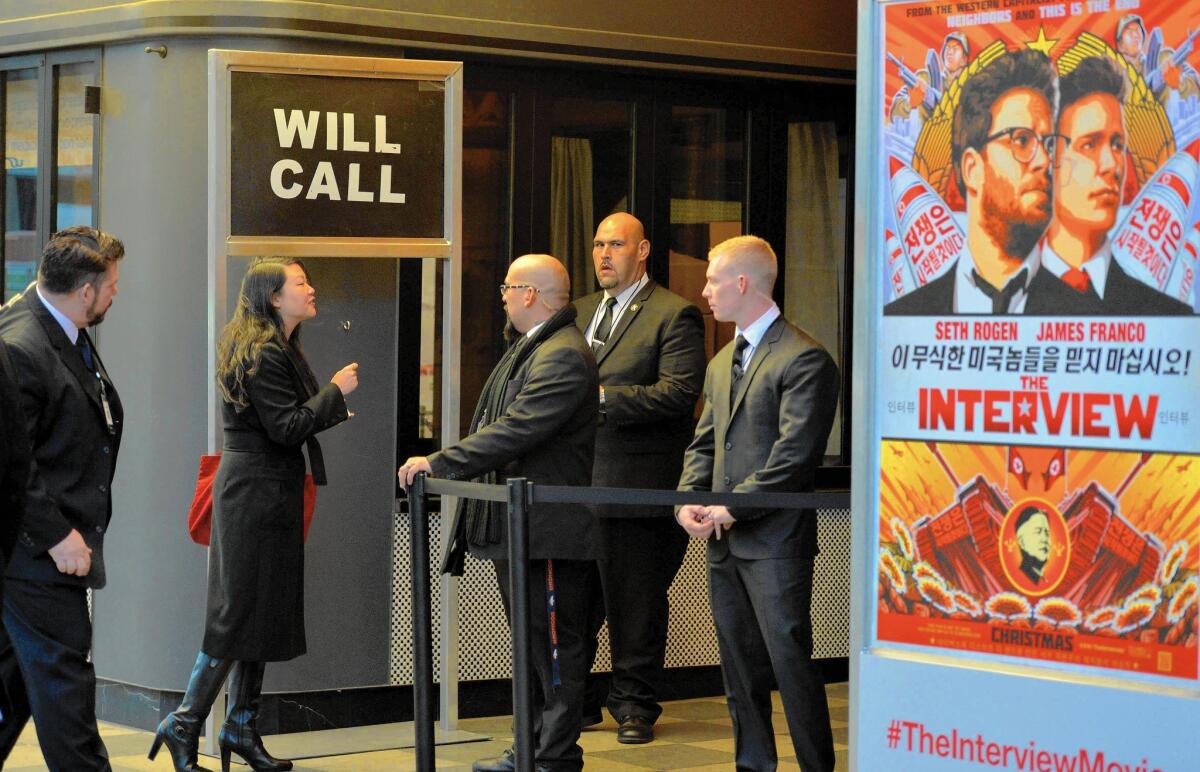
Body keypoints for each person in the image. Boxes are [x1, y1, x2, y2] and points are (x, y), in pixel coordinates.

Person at [150, 257, 358, 772]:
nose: (311, 289)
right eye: (301, 283)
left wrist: (327, 403)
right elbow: (287, 427)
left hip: (269, 492)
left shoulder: (278, 346)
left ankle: (241, 725)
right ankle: (184, 722)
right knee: (238, 613)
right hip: (254, 495)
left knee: (260, 611)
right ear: (273, 297)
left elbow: (285, 424)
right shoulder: (265, 352)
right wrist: (335, 392)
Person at [399, 254, 598, 772]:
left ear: (531, 294)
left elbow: (517, 429)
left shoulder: (562, 354)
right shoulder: (534, 348)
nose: (504, 297)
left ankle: (553, 755)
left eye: (508, 287)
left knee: (554, 647)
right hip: (522, 527)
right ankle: (530, 749)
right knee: (534, 647)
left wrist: (441, 461)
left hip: (547, 530)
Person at [677, 236, 840, 772]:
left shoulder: (805, 358)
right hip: (724, 541)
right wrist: (689, 501)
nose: (704, 292)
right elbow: (705, 443)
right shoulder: (723, 359)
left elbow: (794, 459)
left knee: (789, 661)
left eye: (712, 280)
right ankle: (754, 764)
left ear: (742, 283)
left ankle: (816, 766)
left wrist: (731, 508)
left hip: (774, 542)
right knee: (738, 668)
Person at [575, 213, 705, 743]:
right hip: (576, 487)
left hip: (638, 486)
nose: (604, 254)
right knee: (577, 606)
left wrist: (602, 399)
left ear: (643, 249)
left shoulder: (676, 314)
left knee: (636, 606)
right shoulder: (577, 312)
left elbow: (678, 393)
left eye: (617, 244)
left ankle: (634, 707)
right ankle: (574, 703)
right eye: (599, 244)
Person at [0, 226, 125, 770]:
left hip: (38, 550)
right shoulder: (20, 345)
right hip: (35, 554)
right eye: (112, 285)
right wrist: (58, 537)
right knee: (65, 688)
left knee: (15, 687)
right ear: (84, 291)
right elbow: (9, 463)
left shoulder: (62, 324)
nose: (117, 293)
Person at [885, 49, 1093, 316]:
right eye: (1021, 140)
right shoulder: (905, 318)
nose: (1045, 160)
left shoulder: (1087, 316)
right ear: (973, 168)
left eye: (1050, 144)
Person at [1039, 56, 1192, 315]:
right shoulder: (992, 304)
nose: (1112, 165)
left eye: (1117, 145)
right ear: (1049, 156)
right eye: (1089, 144)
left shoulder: (1168, 316)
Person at [1014, 506, 1051, 585]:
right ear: (1022, 542)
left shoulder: (1040, 579)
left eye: (1047, 533)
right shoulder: (1021, 579)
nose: (1044, 539)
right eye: (1038, 531)